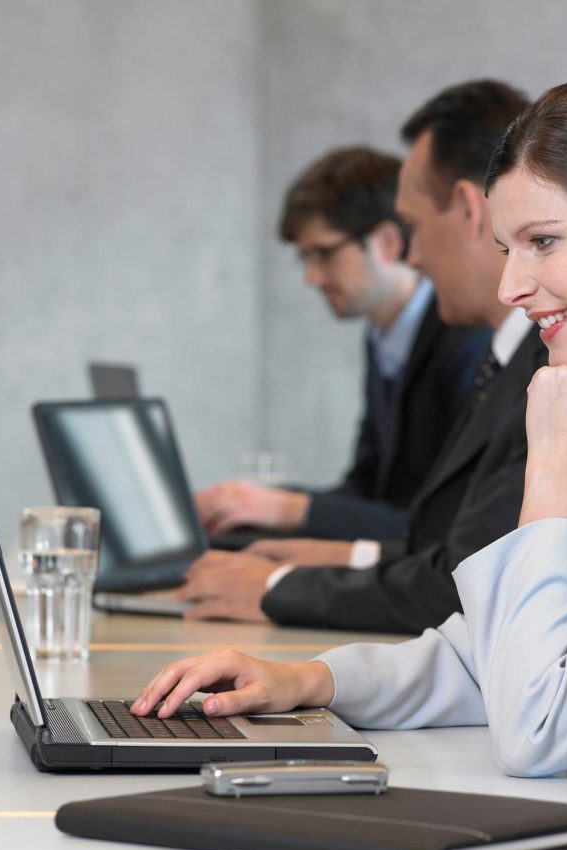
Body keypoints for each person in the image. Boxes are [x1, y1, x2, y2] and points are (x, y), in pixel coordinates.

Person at [133, 77, 567, 850]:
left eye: (543, 242)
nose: (511, 286)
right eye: (508, 251)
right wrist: (306, 679)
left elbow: (547, 717)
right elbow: (494, 650)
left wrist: (553, 468)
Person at [175, 80, 544, 631]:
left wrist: (284, 578)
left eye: (414, 227)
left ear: (469, 211)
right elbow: (434, 540)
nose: (415, 255)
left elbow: (460, 577)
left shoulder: (520, 361)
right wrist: (324, 554)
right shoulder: (490, 352)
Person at [197, 147, 489, 544]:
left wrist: (288, 509)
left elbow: (444, 528)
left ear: (387, 242)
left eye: (323, 254)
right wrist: (256, 505)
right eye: (305, 260)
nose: (312, 278)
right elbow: (366, 489)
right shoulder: (382, 339)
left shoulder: (468, 342)